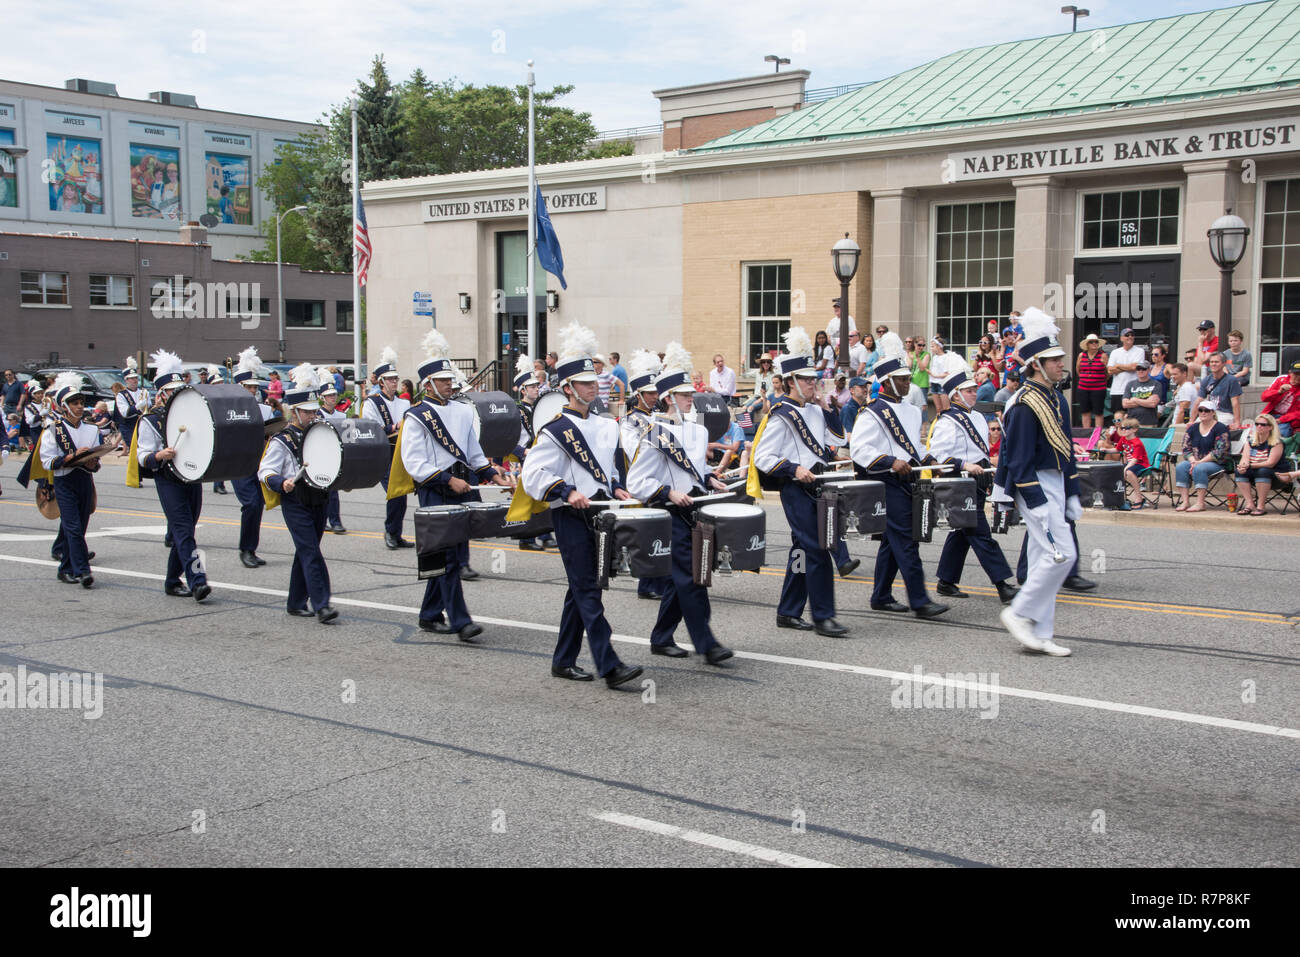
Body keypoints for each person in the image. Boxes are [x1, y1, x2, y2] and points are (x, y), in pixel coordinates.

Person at [515, 321, 644, 689]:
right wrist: (567, 490)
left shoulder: (605, 425)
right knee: (588, 588)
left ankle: (563, 660)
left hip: (601, 514)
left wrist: (618, 487)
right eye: (586, 383)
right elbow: (533, 474)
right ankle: (610, 664)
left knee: (582, 588)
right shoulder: (554, 429)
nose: (594, 387)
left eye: (594, 381)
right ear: (568, 389)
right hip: (571, 516)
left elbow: (612, 467)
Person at [399, 331, 513, 641]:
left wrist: (493, 473)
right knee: (447, 554)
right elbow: (414, 463)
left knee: (446, 552)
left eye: (450, 379)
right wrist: (448, 479)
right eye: (443, 380)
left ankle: (429, 613)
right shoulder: (417, 417)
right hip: (434, 488)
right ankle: (461, 621)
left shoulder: (463, 411)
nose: (450, 384)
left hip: (462, 484)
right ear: (428, 384)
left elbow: (474, 454)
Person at [626, 343, 735, 664]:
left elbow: (694, 469)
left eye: (691, 393)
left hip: (695, 512)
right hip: (669, 515)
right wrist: (668, 492)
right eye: (685, 394)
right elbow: (636, 482)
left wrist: (710, 477)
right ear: (668, 398)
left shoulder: (698, 431)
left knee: (681, 579)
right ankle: (707, 643)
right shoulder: (653, 432)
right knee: (691, 579)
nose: (692, 397)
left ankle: (661, 637)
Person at [750, 325, 850, 635]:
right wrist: (793, 469)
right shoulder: (781, 413)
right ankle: (823, 616)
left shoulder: (815, 410)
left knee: (801, 552)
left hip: (819, 486)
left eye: (814, 378)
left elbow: (839, 437)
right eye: (807, 379)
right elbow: (762, 457)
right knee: (818, 549)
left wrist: (827, 406)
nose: (813, 383)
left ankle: (789, 611)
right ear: (792, 381)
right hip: (796, 488)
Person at [995, 308, 1079, 656]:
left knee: (1046, 556)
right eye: (1053, 359)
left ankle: (1041, 632)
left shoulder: (1056, 398)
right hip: (1036, 487)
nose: (1061, 364)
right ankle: (1018, 612)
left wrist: (1072, 492)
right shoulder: (1024, 404)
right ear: (1035, 365)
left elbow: (1068, 450)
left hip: (1056, 483)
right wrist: (1037, 502)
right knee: (1063, 556)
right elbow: (1017, 459)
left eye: (1059, 358)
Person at [850, 333, 948, 619]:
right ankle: (920, 600)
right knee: (906, 540)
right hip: (885, 481)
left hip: (908, 479)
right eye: (903, 379)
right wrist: (891, 461)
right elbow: (859, 449)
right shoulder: (873, 412)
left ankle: (881, 595)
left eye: (908, 378)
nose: (908, 383)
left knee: (894, 542)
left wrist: (931, 461)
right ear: (889, 381)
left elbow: (915, 446)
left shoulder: (910, 410)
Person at [928, 369, 1018, 604]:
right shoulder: (947, 420)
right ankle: (1002, 584)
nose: (974, 393)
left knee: (961, 531)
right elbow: (937, 454)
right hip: (959, 481)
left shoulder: (977, 416)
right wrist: (963, 463)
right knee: (979, 533)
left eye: (974, 389)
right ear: (956, 395)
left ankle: (946, 581)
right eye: (969, 391)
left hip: (976, 480)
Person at [130, 349, 212, 602]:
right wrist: (159, 455)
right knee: (184, 530)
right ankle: (198, 581)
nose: (176, 393)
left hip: (192, 477)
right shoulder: (150, 420)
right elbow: (141, 455)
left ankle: (171, 580)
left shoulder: (192, 415)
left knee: (185, 531)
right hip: (168, 478)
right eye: (171, 390)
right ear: (161, 394)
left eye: (179, 388)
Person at [259, 366, 338, 623]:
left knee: (306, 550)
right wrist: (281, 483)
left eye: (315, 410)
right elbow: (265, 471)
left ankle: (295, 601)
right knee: (310, 551)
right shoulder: (282, 439)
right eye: (307, 411)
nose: (313, 415)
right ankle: (322, 604)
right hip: (295, 499)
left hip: (319, 497)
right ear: (294, 412)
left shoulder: (321, 433)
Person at [41, 373, 104, 587]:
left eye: (80, 402)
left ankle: (65, 568)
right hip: (64, 481)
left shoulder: (92, 428)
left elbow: (96, 462)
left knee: (80, 527)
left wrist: (92, 462)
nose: (79, 406)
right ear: (63, 406)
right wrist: (69, 458)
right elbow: (46, 461)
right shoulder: (53, 429)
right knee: (73, 527)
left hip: (84, 481)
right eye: (74, 403)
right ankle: (83, 571)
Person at [617, 349, 670, 598]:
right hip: (644, 481)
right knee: (650, 535)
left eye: (656, 392)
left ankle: (662, 582)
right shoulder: (628, 421)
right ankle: (647, 586)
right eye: (649, 393)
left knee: (664, 533)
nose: (654, 396)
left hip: (664, 480)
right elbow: (632, 450)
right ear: (638, 394)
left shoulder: (661, 416)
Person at [231, 347, 276, 568]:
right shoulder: (227, 409)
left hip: (258, 462)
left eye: (254, 387)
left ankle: (251, 548)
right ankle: (246, 549)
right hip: (238, 463)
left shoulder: (264, 410)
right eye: (247, 387)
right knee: (251, 503)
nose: (252, 391)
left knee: (258, 505)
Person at [365, 347, 413, 549]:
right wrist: (394, 427)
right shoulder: (372, 403)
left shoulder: (404, 403)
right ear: (382, 382)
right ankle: (391, 532)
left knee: (401, 496)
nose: (395, 382)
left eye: (396, 378)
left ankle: (396, 532)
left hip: (400, 453)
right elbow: (370, 428)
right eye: (390, 379)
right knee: (395, 494)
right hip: (383, 454)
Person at [510, 354, 555, 552]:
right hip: (524, 457)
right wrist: (523, 451)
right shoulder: (515, 410)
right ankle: (526, 539)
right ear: (522, 390)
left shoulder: (541, 408)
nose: (536, 389)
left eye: (537, 386)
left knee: (543, 492)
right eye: (531, 387)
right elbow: (509, 439)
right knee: (526, 496)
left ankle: (545, 534)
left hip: (539, 454)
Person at [1174, 401, 1231, 512]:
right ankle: (1185, 501)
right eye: (1200, 410)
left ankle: (1200, 503)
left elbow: (1220, 451)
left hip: (1216, 463)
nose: (1203, 413)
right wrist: (1193, 461)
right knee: (1181, 466)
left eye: (1206, 410)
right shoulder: (1193, 428)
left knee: (1200, 468)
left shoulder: (1221, 428)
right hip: (1195, 461)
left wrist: (1199, 462)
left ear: (1213, 413)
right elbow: (1186, 448)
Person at [315, 369, 347, 534]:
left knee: (333, 492)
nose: (332, 398)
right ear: (322, 398)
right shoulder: (316, 415)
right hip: (319, 455)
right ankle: (324, 520)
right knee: (321, 491)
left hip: (335, 455)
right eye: (328, 395)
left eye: (334, 395)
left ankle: (335, 521)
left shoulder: (341, 415)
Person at [1235, 413, 1283, 516]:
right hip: (1255, 471)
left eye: (1262, 424)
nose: (1259, 426)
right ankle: (1250, 504)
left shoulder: (1277, 443)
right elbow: (1245, 459)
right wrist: (1242, 466)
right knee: (1240, 472)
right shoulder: (1250, 442)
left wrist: (1250, 466)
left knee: (1263, 471)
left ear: (1270, 427)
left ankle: (1261, 506)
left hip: (1276, 474)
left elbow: (1270, 463)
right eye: (1257, 424)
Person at [1114, 417, 1150, 509]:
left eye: (1127, 428)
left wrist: (1126, 468)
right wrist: (1104, 449)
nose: (1124, 430)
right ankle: (1120, 498)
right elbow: (1117, 450)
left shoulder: (1137, 443)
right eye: (1122, 428)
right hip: (1131, 463)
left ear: (1135, 429)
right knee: (1114, 470)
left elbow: (1135, 459)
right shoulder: (1123, 439)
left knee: (1129, 472)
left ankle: (1139, 497)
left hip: (1141, 464)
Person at [1198, 352, 1243, 426]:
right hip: (1210, 412)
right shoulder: (1206, 380)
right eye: (1211, 362)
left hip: (1226, 414)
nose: (1213, 364)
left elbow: (1235, 402)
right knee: (1196, 427)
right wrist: (1191, 420)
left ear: (1223, 364)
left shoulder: (1231, 380)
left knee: (1215, 426)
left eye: (1216, 362)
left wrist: (1237, 422)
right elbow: (1199, 400)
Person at [1075, 333, 1109, 429]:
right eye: (1091, 342)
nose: (1094, 344)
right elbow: (1078, 370)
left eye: (1096, 342)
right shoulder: (1081, 355)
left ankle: (1097, 434)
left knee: (1098, 412)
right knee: (1085, 411)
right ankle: (1086, 433)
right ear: (1087, 344)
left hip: (1098, 388)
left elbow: (1108, 373)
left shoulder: (1103, 355)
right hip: (1083, 387)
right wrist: (1085, 378)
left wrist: (1099, 378)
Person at [1260, 360, 1300, 438]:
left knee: (1280, 436)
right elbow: (1264, 397)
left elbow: (1298, 413)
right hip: (1270, 414)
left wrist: (1282, 419)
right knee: (1257, 434)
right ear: (1290, 372)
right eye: (1296, 374)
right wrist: (1279, 392)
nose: (1298, 377)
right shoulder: (1281, 379)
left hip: (1288, 419)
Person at [1121, 361, 1161, 426]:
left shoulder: (1156, 384)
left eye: (1144, 369)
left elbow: (1152, 404)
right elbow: (1125, 404)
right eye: (1138, 369)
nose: (1141, 371)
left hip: (1149, 422)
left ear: (1149, 370)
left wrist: (1135, 400)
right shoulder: (1130, 384)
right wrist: (1146, 401)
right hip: (1131, 422)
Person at [926, 337, 956, 414]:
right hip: (934, 383)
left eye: (933, 346)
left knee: (946, 408)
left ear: (939, 346)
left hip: (942, 383)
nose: (931, 348)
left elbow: (947, 373)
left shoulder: (946, 357)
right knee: (938, 408)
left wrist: (935, 375)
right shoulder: (935, 357)